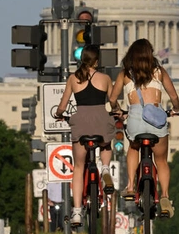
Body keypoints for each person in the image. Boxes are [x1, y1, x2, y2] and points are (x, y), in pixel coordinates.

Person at [109, 38, 179, 218]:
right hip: (156, 121)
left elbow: (112, 99)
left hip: (134, 121)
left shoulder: (125, 74)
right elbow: (174, 96)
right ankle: (164, 195)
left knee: (133, 148)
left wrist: (118, 111)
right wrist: (176, 110)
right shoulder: (159, 72)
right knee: (162, 160)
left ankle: (131, 185)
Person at [55, 44, 116, 225]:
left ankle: (76, 212)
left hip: (80, 122)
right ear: (96, 61)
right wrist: (119, 111)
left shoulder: (74, 79)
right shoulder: (105, 78)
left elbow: (63, 105)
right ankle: (105, 168)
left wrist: (59, 114)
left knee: (79, 167)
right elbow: (113, 103)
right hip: (100, 120)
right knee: (106, 142)